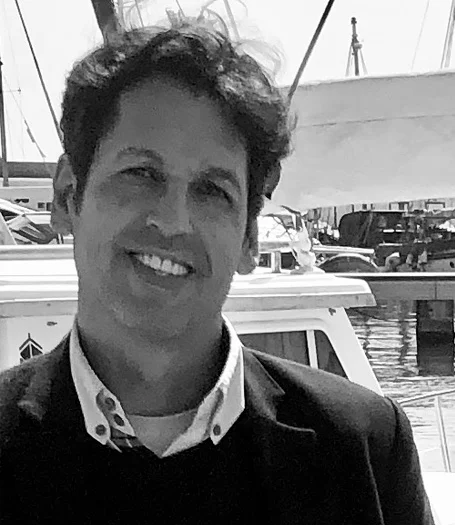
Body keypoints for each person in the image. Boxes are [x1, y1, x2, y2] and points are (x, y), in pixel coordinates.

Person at [0, 24, 433, 525]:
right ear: (67, 195)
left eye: (212, 190)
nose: (173, 221)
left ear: (249, 239)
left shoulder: (364, 451)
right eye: (141, 173)